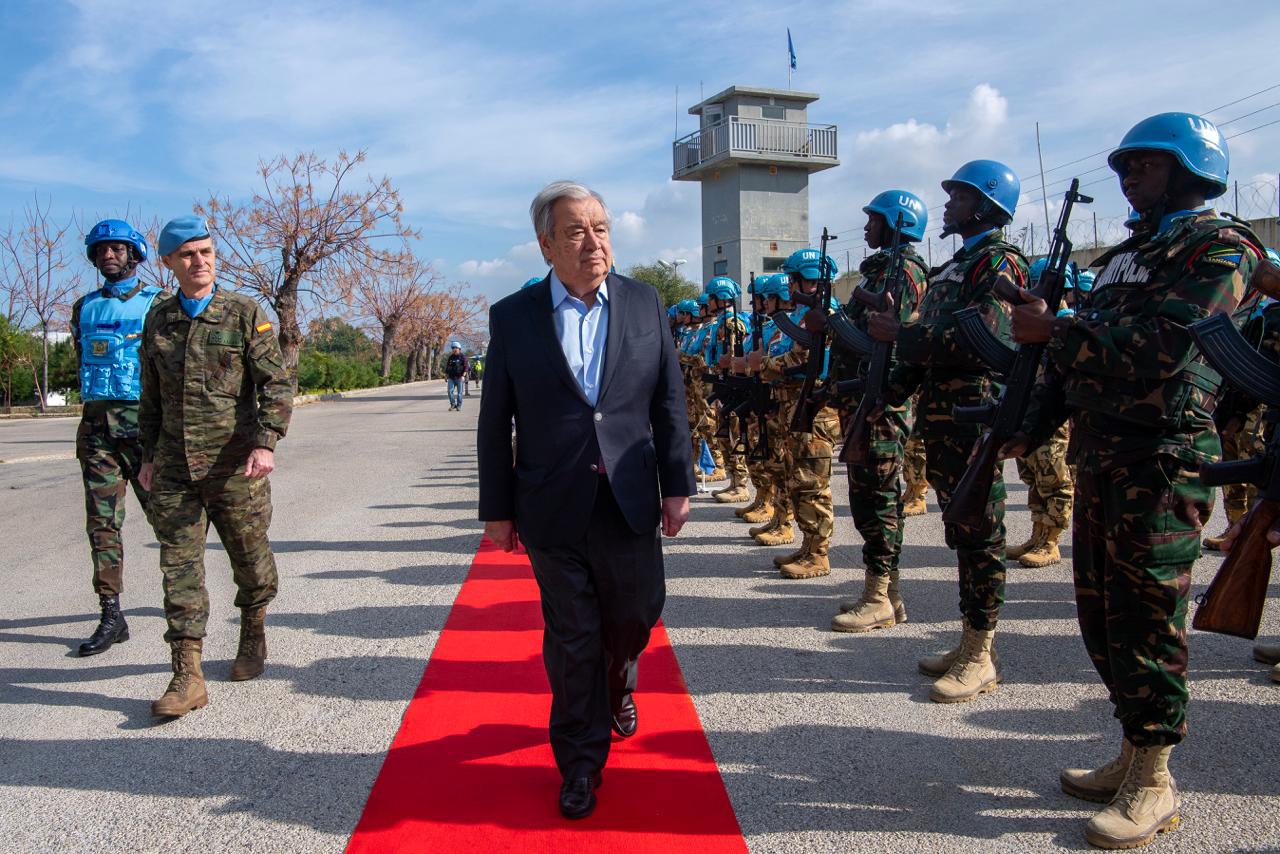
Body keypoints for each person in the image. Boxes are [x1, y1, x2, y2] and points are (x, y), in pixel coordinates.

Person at [1007, 113, 1263, 849]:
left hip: (1163, 463)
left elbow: (1171, 347)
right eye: (1124, 168)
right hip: (1103, 455)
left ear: (1189, 170)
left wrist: (1058, 331)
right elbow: (1080, 357)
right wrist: (1033, 415)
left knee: (1149, 618)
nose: (1127, 179)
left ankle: (1155, 776)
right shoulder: (1130, 254)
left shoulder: (1221, 246)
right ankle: (1129, 748)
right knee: (1104, 616)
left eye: (1143, 167)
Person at [477, 180, 694, 820]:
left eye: (601, 227)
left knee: (635, 615)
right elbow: (496, 421)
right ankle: (578, 762)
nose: (594, 241)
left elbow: (668, 402)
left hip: (627, 493)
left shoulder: (644, 302)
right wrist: (497, 508)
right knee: (573, 635)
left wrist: (677, 484)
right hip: (551, 501)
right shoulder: (513, 317)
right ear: (546, 244)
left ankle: (617, 676)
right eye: (576, 231)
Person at [867, 159, 1028, 703]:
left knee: (982, 534)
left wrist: (905, 331)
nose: (948, 205)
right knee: (961, 530)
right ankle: (969, 641)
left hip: (975, 416)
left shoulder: (999, 263)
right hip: (940, 421)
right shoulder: (951, 269)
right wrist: (889, 388)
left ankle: (981, 652)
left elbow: (985, 333)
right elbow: (923, 347)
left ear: (985, 203)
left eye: (957, 196)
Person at [138, 216, 293, 718]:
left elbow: (275, 382)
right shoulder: (159, 319)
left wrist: (266, 443)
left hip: (235, 465)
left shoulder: (247, 313)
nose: (198, 261)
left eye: (205, 251)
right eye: (186, 255)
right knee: (178, 568)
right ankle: (187, 674)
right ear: (168, 262)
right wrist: (146, 457)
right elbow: (150, 396)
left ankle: (253, 631)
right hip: (175, 467)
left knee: (249, 559)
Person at [830, 190, 930, 632]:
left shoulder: (904, 271)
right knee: (865, 497)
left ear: (897, 223)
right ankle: (888, 593)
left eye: (874, 220)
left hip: (880, 405)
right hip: (863, 400)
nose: (866, 227)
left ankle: (879, 595)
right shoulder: (876, 271)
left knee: (880, 499)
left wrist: (884, 396)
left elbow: (898, 341)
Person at [71, 219, 164, 656]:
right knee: (102, 525)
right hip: (97, 433)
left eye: (117, 249)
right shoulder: (83, 308)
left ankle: (183, 605)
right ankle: (111, 613)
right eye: (101, 250)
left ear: (135, 254)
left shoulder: (159, 305)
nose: (109, 255)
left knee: (169, 522)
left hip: (145, 433)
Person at [1004, 258, 1077, 569]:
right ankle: (1037, 534)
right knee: (1033, 475)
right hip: (1029, 406)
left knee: (1053, 476)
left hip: (1049, 413)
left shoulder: (1062, 319)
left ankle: (1051, 541)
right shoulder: (1033, 316)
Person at [444, 342, 468, 411]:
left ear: (459, 349)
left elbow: (466, 367)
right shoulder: (451, 357)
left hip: (460, 377)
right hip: (451, 378)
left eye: (455, 348)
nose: (454, 349)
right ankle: (453, 404)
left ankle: (459, 406)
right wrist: (446, 375)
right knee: (449, 391)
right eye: (453, 348)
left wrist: (463, 375)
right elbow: (448, 367)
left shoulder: (463, 357)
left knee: (459, 393)